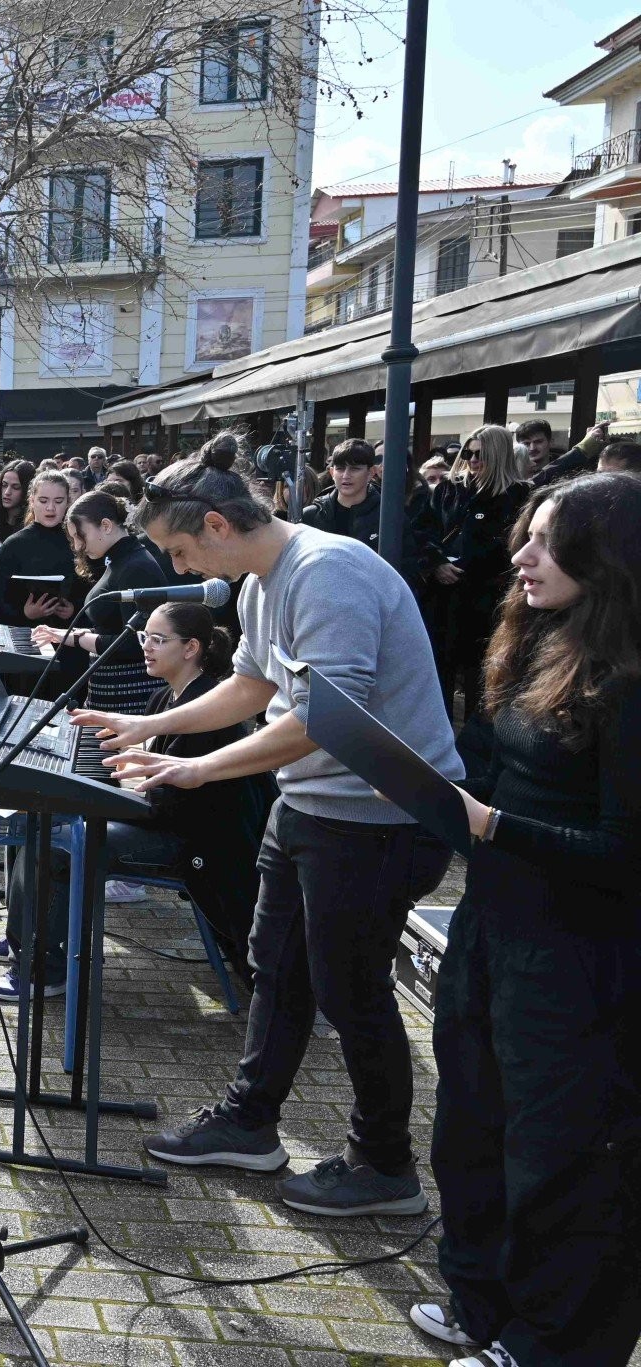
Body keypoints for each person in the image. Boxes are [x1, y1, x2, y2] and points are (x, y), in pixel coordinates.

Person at [76, 444, 458, 1217]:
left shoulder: (329, 574)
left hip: (379, 819)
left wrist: (197, 768)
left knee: (353, 994)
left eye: (182, 551)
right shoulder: (259, 586)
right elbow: (250, 686)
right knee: (276, 968)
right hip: (312, 808)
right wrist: (151, 723)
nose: (183, 568)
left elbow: (324, 720)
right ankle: (252, 1121)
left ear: (218, 524)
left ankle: (385, 1165)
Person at [398, 474, 641, 1367]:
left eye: (546, 540)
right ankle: (481, 1300)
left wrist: (493, 823)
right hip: (494, 925)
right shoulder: (539, 638)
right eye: (525, 536)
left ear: (606, 556)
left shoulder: (629, 680)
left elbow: (622, 847)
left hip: (577, 956)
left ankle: (546, 1342)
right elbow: (500, 766)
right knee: (470, 1125)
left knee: (559, 1157)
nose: (521, 556)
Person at [100, 602, 272, 985]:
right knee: (65, 826)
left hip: (199, 844)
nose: (146, 646)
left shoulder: (204, 706)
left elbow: (171, 806)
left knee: (70, 841)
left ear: (191, 647)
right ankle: (40, 950)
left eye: (158, 639)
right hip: (176, 823)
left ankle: (46, 962)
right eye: (145, 637)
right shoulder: (164, 698)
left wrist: (103, 789)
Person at [32, 489, 167, 713]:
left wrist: (75, 639)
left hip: (130, 696)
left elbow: (136, 643)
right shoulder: (120, 559)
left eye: (80, 536)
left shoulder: (135, 566)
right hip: (112, 690)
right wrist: (66, 636)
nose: (77, 546)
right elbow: (111, 628)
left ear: (105, 526)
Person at [437, 424, 532, 719]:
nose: (473, 460)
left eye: (481, 454)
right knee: (441, 668)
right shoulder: (451, 489)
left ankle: (475, 743)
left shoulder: (517, 495)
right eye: (469, 453)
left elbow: (508, 547)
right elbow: (426, 530)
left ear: (498, 455)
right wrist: (436, 562)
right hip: (443, 593)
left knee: (482, 673)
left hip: (486, 598)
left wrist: (463, 566)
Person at [0, 470, 77, 628]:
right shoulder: (14, 545)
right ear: (32, 501)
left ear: (68, 502)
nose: (51, 508)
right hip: (25, 638)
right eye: (43, 501)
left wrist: (74, 610)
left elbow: (90, 593)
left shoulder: (77, 542)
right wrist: (25, 613)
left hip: (69, 639)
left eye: (58, 501)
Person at [299, 439, 383, 551]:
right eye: (340, 468)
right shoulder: (311, 516)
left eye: (355, 469)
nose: (346, 475)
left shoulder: (387, 518)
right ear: (332, 472)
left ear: (371, 472)